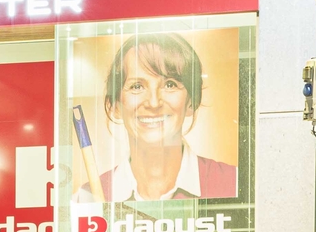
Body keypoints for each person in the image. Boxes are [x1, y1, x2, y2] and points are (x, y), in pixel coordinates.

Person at [95, 33, 237, 202]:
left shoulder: (234, 183)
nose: (154, 103)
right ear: (116, 106)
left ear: (191, 102)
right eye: (137, 86)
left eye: (170, 85)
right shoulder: (88, 197)